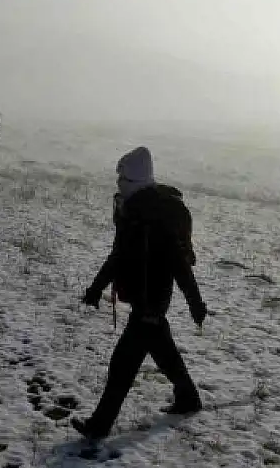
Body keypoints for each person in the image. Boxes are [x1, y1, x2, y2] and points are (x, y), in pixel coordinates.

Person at [72, 146, 207, 440]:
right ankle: (188, 397)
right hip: (144, 301)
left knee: (123, 364)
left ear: (135, 180)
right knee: (164, 351)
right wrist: (96, 289)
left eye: (123, 178)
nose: (118, 183)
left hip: (152, 301)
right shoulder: (131, 211)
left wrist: (196, 303)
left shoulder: (154, 217)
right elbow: (118, 256)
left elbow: (179, 264)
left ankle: (99, 426)